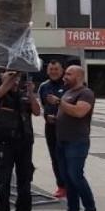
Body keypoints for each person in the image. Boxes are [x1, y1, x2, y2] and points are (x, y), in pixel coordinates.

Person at [0, 71, 41, 211]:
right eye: (10, 76)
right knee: (4, 178)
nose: (15, 79)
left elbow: (37, 111)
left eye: (17, 77)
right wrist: (15, 73)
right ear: (2, 78)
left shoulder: (24, 95)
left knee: (25, 177)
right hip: (6, 142)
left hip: (25, 141)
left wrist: (31, 93)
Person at [52, 65, 98, 211]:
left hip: (76, 142)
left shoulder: (85, 93)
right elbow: (66, 112)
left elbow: (79, 112)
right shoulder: (68, 92)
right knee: (68, 178)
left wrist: (58, 102)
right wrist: (55, 118)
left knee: (76, 175)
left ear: (79, 76)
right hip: (62, 141)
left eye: (69, 74)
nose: (64, 76)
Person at [38, 60, 67, 198]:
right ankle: (61, 186)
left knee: (69, 157)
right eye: (51, 69)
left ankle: (72, 185)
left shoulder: (69, 85)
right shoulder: (43, 86)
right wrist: (47, 116)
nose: (53, 72)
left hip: (68, 128)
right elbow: (44, 106)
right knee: (55, 157)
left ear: (62, 70)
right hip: (50, 128)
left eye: (56, 69)